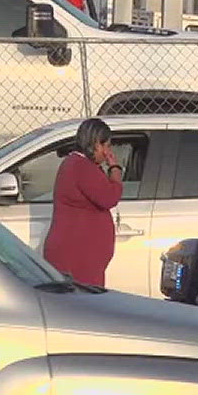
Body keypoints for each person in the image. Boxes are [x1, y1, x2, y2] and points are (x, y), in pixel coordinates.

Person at [42, 118, 123, 288]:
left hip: (81, 258)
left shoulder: (82, 165)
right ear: (95, 144)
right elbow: (110, 196)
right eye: (106, 146)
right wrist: (115, 168)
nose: (108, 152)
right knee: (83, 304)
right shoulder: (80, 166)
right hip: (76, 258)